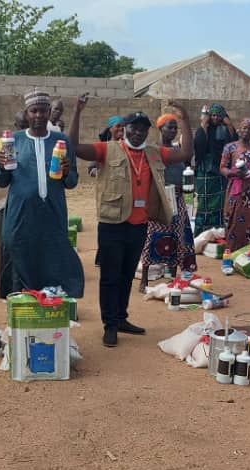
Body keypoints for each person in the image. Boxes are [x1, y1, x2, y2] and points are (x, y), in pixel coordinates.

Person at [71, 99, 193, 347]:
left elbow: (186, 153)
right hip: (112, 223)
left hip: (138, 225)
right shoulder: (108, 149)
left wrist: (185, 119)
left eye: (142, 129)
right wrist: (77, 112)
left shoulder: (153, 153)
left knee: (127, 275)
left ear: (148, 132)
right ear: (124, 128)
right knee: (110, 276)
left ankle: (122, 317)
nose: (137, 132)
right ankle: (110, 325)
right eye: (133, 128)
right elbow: (74, 147)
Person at [0, 89, 84, 298]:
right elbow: (0, 181)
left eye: (43, 111)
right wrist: (1, 166)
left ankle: (52, 310)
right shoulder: (14, 141)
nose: (39, 116)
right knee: (20, 264)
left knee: (53, 262)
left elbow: (71, 182)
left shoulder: (61, 141)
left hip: (52, 214)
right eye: (34, 111)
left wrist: (66, 170)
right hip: (21, 216)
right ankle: (21, 318)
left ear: (49, 112)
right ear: (27, 113)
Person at [138, 113, 198, 291]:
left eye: (174, 128)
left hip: (177, 200)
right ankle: (144, 281)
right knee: (152, 236)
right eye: (168, 127)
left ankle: (172, 277)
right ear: (160, 128)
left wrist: (187, 190)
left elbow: (186, 172)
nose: (172, 131)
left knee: (177, 236)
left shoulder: (178, 151)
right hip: (159, 201)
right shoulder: (152, 151)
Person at [0, 110, 30, 299]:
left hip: (24, 203)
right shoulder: (8, 143)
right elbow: (1, 176)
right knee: (5, 246)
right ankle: (4, 286)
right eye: (21, 125)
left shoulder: (34, 142)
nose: (24, 128)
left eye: (26, 125)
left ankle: (22, 286)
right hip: (4, 202)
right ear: (16, 126)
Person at [220, 118, 250, 252]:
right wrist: (235, 174)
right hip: (237, 190)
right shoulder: (230, 147)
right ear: (239, 130)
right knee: (233, 222)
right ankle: (230, 255)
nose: (247, 131)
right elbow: (222, 168)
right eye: (244, 127)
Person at [192, 103, 237, 234]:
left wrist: (229, 124)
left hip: (221, 171)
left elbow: (234, 143)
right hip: (205, 172)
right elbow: (199, 144)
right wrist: (204, 124)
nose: (215, 118)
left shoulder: (225, 130)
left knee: (221, 203)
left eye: (219, 115)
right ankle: (202, 232)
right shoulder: (204, 129)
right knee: (204, 203)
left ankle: (218, 231)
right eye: (212, 115)